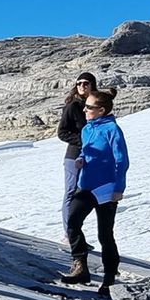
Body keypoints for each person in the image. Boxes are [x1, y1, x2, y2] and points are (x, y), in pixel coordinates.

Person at [61, 88, 128, 295]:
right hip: (86, 185)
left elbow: (122, 161)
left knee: (105, 234)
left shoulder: (112, 130)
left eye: (89, 107)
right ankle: (80, 265)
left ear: (101, 110)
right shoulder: (87, 129)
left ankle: (109, 280)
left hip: (107, 189)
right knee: (72, 222)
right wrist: (81, 159)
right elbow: (85, 149)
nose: (84, 110)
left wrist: (119, 188)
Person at [56, 72, 98, 234]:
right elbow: (62, 132)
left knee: (85, 194)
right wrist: (83, 140)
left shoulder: (95, 106)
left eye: (86, 83)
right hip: (74, 156)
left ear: (92, 85)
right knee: (71, 192)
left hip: (92, 156)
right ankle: (70, 234)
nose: (82, 86)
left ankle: (76, 232)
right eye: (79, 83)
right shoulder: (73, 106)